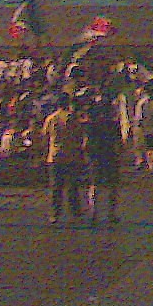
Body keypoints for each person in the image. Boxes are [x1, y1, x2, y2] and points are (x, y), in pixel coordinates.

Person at [83, 92, 123, 227]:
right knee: (112, 186)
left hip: (96, 157)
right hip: (110, 156)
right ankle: (111, 214)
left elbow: (86, 144)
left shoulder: (91, 125)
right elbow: (119, 144)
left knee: (95, 185)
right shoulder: (114, 125)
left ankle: (94, 213)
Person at [43, 96, 83, 224]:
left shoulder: (51, 118)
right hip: (71, 155)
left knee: (56, 187)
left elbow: (44, 136)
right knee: (73, 186)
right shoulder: (73, 118)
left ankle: (55, 213)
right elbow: (79, 135)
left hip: (55, 156)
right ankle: (75, 213)